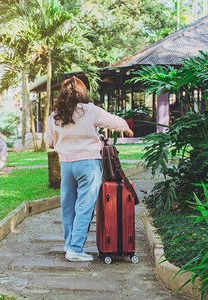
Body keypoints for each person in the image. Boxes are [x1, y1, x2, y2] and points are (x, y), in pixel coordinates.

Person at [44, 76, 133, 262]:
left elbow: (49, 140)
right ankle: (75, 249)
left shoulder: (56, 115)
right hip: (88, 165)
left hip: (66, 165)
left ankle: (69, 245)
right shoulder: (90, 110)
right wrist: (125, 127)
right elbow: (114, 122)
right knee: (84, 207)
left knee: (67, 207)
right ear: (82, 92)